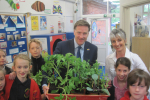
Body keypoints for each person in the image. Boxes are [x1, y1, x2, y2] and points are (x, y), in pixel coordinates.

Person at [42, 20, 98, 97]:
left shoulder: (93, 49)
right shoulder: (62, 46)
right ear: (74, 32)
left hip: (84, 90)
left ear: (88, 34)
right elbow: (49, 66)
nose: (81, 36)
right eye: (79, 32)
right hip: (65, 89)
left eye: (84, 33)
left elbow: (92, 69)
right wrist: (44, 84)